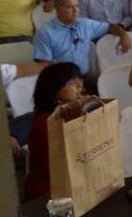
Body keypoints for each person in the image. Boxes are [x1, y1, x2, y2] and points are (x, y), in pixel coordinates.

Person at [24, 62, 86, 201]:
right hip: (49, 195)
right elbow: (59, 168)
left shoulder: (73, 111)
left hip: (73, 186)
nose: (79, 86)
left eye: (79, 80)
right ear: (54, 89)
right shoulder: (45, 124)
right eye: (71, 82)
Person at [34, 0, 131, 75]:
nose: (75, 10)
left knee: (106, 89)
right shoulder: (45, 33)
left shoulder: (85, 24)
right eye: (69, 7)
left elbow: (110, 27)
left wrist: (123, 35)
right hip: (60, 81)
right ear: (58, 9)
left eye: (77, 6)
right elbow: (44, 64)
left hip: (85, 76)